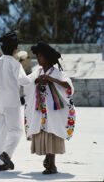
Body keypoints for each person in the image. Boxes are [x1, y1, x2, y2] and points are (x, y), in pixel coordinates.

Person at [24, 41, 76, 174]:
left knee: (51, 133)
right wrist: (37, 81)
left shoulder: (57, 72)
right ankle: (48, 160)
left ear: (47, 58)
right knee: (44, 132)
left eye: (40, 56)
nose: (38, 58)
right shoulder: (38, 71)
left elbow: (68, 86)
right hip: (41, 111)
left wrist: (51, 79)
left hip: (52, 111)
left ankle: (52, 165)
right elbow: (28, 83)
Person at [0, 32, 31, 171]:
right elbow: (24, 81)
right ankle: (6, 154)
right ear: (16, 49)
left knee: (0, 132)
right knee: (16, 131)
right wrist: (34, 75)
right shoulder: (15, 64)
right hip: (11, 102)